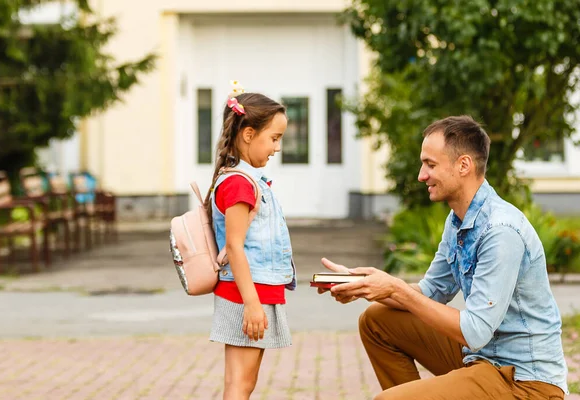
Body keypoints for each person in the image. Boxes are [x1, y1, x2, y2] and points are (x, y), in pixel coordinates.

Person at [319, 116, 568, 399]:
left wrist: (397, 289)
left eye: (430, 164)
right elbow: (430, 293)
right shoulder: (458, 221)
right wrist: (364, 284)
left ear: (463, 165)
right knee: (377, 321)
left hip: (523, 381)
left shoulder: (501, 231)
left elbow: (475, 331)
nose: (421, 175)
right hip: (482, 358)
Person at [205, 82, 296, 400]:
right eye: (274, 138)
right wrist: (252, 305)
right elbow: (234, 246)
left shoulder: (246, 181)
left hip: (254, 292)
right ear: (247, 134)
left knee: (242, 383)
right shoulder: (239, 185)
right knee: (240, 385)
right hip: (248, 294)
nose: (276, 147)